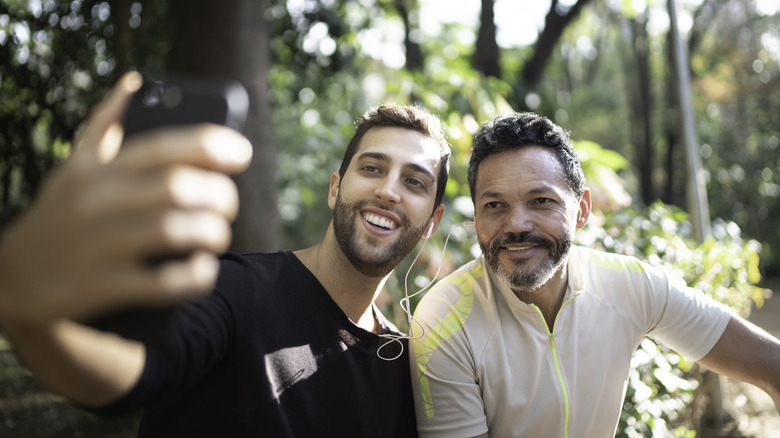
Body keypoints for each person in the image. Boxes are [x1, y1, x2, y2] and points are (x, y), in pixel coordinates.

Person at [2, 72, 451, 437]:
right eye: (372, 168)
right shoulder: (235, 289)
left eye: (415, 182)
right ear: (336, 189)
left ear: (431, 223)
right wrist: (32, 314)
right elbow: (130, 372)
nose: (388, 190)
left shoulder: (405, 365)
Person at [409, 112, 780, 437]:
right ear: (475, 218)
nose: (517, 224)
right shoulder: (445, 317)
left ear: (582, 209)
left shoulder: (630, 285)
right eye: (494, 205)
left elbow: (773, 365)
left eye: (541, 201)